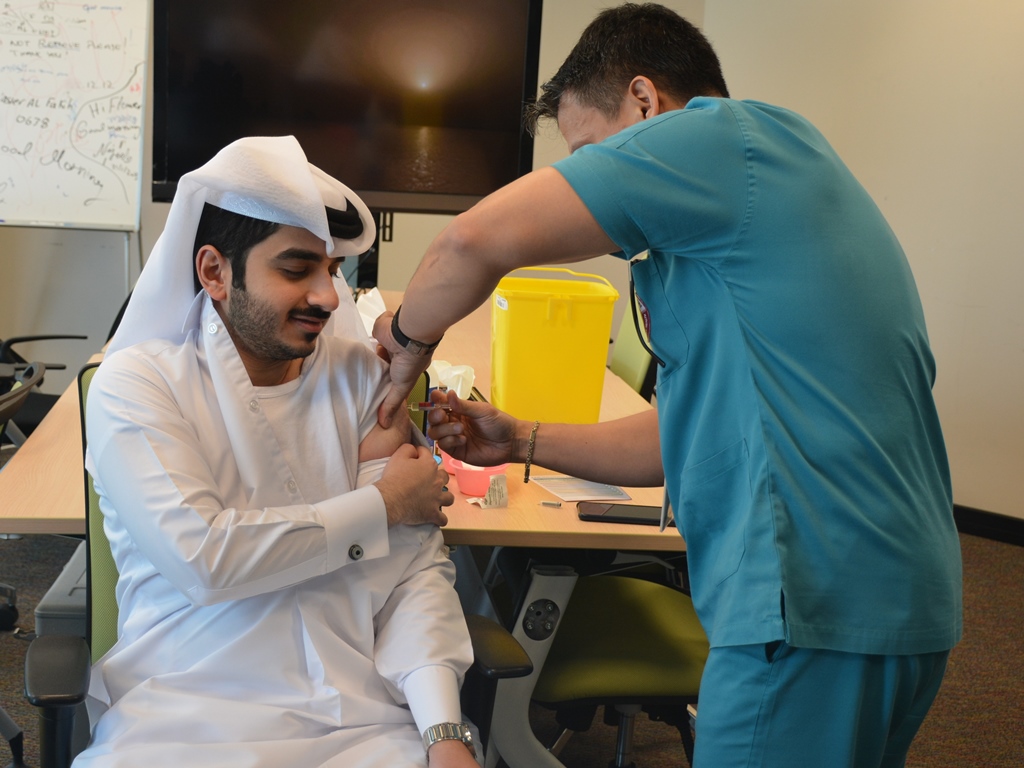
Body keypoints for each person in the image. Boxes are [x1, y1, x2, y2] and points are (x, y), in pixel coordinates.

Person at [372, 4, 963, 766]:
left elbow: (471, 240)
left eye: (587, 152)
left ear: (647, 104)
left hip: (809, 599)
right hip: (884, 594)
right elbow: (676, 439)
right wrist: (520, 438)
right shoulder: (755, 198)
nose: (585, 179)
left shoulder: (723, 141)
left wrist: (406, 343)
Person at [76, 136, 480, 768]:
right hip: (184, 717)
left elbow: (412, 573)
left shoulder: (361, 378)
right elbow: (206, 558)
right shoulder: (139, 385)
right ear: (214, 272)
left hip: (359, 720)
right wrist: (383, 504)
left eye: (332, 271)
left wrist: (443, 730)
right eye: (296, 270)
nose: (326, 296)